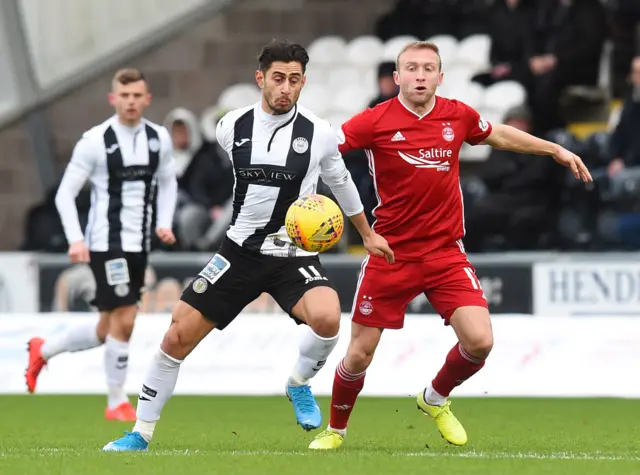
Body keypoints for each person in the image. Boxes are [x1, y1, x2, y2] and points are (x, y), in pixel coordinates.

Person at [102, 39, 393, 452]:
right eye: (278, 79)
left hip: (293, 253)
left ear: (303, 82)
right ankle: (140, 434)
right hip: (238, 253)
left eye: (294, 80)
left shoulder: (319, 133)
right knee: (175, 338)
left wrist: (367, 233)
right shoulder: (230, 126)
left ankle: (299, 383)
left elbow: (341, 181)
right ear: (260, 79)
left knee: (328, 318)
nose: (285, 88)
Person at [308, 41, 592, 450]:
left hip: (445, 252)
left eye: (428, 68)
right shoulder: (375, 121)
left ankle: (435, 397)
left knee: (480, 342)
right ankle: (336, 431)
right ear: (397, 77)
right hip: (392, 253)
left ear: (441, 76)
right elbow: (324, 150)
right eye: (412, 68)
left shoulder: (456, 115)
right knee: (359, 355)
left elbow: (499, 136)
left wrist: (555, 149)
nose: (420, 75)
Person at [25, 68, 178, 421]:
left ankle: (43, 349)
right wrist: (75, 239)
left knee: (106, 327)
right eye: (124, 96)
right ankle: (116, 402)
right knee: (125, 321)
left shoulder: (159, 138)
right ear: (113, 99)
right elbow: (65, 194)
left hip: (139, 244)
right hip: (106, 243)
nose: (130, 102)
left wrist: (165, 222)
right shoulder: (95, 140)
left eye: (137, 96)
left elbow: (168, 183)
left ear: (147, 99)